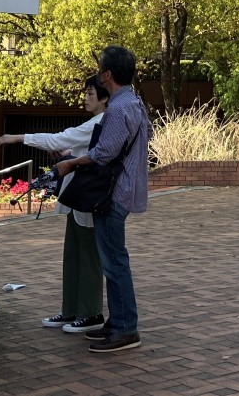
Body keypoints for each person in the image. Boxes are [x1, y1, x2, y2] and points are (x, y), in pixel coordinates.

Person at [0, 75, 107, 334]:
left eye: (91, 93)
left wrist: (17, 137)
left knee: (87, 256)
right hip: (78, 197)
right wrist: (68, 155)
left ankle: (90, 313)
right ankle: (72, 310)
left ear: (104, 97)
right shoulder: (95, 123)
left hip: (88, 197)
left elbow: (60, 139)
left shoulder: (102, 122)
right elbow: (76, 149)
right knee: (74, 254)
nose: (85, 98)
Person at [54, 46, 151, 354]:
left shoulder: (120, 108)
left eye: (99, 68)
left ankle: (126, 329)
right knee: (114, 260)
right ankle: (118, 321)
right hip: (124, 189)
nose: (97, 72)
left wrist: (70, 162)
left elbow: (103, 154)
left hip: (113, 194)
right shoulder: (133, 102)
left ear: (107, 75)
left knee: (115, 263)